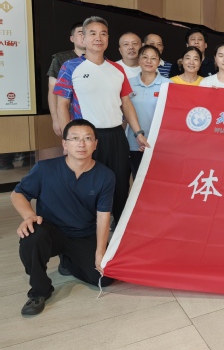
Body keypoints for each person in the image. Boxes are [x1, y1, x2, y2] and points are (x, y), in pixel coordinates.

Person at [11, 119, 115, 316]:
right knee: (31, 235)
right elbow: (18, 194)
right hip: (50, 231)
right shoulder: (45, 169)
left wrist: (100, 253)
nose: (81, 144)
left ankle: (68, 261)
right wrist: (29, 216)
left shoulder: (105, 176)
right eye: (75, 138)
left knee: (105, 279)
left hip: (83, 234)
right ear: (65, 144)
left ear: (95, 144)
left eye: (87, 138)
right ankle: (39, 291)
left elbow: (103, 217)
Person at [54, 16, 149, 226]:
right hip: (85, 138)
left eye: (103, 34)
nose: (98, 38)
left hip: (115, 135)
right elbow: (62, 105)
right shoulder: (70, 67)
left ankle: (119, 229)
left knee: (120, 184)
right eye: (93, 33)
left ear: (108, 39)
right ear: (83, 38)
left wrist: (138, 132)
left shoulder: (117, 69)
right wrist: (69, 139)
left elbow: (126, 103)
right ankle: (87, 231)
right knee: (87, 184)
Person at [127, 45, 171, 178]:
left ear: (159, 62)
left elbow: (172, 117)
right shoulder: (128, 83)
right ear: (139, 60)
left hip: (159, 145)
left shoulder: (168, 84)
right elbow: (124, 113)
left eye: (153, 58)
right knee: (137, 182)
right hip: (134, 143)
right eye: (145, 57)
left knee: (158, 183)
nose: (149, 61)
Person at [47, 22, 86, 136]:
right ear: (72, 38)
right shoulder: (60, 59)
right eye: (80, 33)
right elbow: (53, 91)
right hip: (70, 117)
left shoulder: (99, 60)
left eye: (87, 33)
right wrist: (55, 119)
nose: (84, 36)